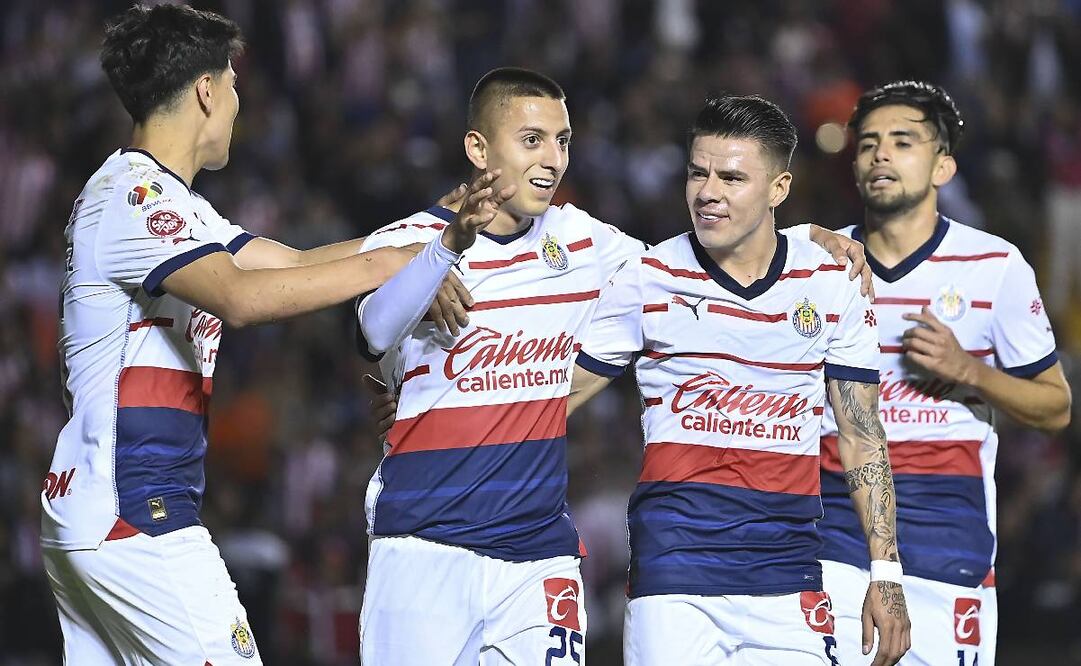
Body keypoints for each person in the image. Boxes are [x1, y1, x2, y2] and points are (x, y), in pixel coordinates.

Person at [355, 68, 872, 665]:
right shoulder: (406, 241)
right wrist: (439, 254)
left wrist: (802, 236)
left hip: (537, 551)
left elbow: (691, 261)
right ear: (477, 147)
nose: (552, 159)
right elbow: (370, 334)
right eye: (532, 140)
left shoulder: (582, 240)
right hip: (422, 539)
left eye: (563, 141)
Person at [41, 5, 479, 664]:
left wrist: (432, 228)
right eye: (234, 83)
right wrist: (391, 265)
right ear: (206, 91)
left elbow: (300, 264)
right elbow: (241, 299)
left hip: (95, 512)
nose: (240, 101)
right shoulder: (137, 201)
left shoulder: (169, 204)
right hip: (134, 516)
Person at [567, 94, 911, 666]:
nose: (708, 192)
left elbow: (861, 434)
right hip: (674, 577)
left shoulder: (831, 282)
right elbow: (559, 395)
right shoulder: (648, 278)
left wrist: (886, 572)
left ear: (778, 189)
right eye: (698, 173)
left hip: (789, 576)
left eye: (731, 177)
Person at [816, 81, 1072, 666]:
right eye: (868, 144)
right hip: (833, 533)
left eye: (903, 141)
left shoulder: (995, 266)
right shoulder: (815, 265)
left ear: (943, 166)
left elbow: (1055, 408)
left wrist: (970, 372)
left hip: (947, 539)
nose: (881, 154)